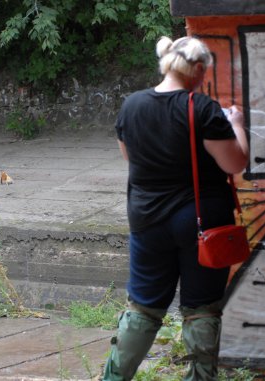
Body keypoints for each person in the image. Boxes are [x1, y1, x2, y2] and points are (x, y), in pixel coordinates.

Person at [101, 35, 249, 381]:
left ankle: (113, 377)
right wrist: (237, 126)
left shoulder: (131, 105)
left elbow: (130, 158)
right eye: (204, 71)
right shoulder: (203, 108)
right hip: (201, 223)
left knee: (143, 307)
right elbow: (234, 163)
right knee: (201, 307)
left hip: (146, 220)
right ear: (197, 69)